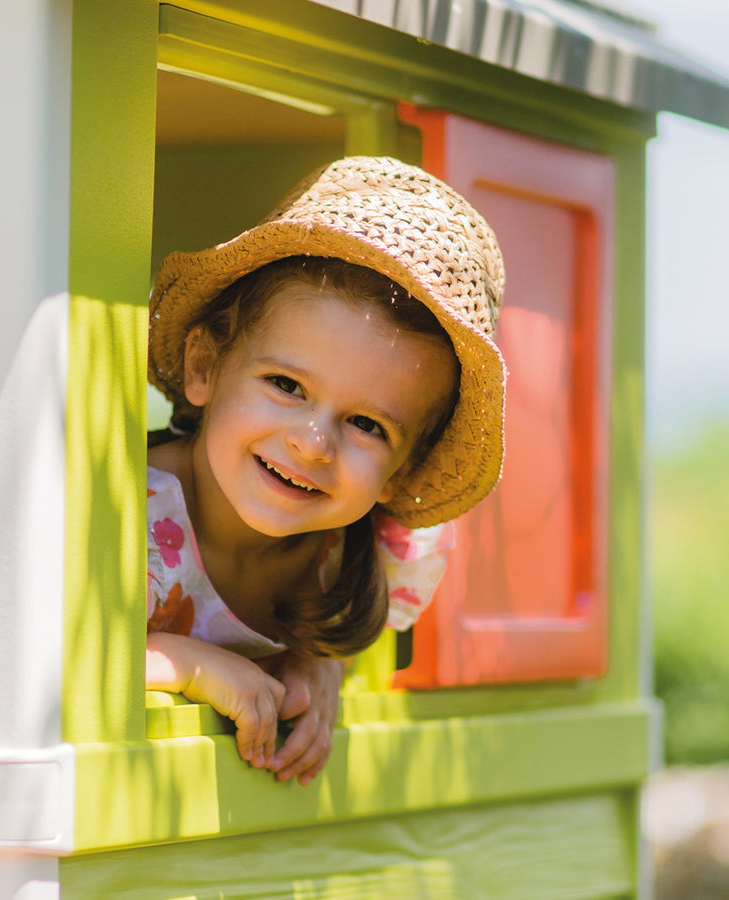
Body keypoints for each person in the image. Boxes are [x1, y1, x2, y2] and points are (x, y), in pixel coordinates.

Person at [145, 156, 506, 786]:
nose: (313, 443)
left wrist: (319, 664)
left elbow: (341, 638)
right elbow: (28, 656)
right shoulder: (121, 514)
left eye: (368, 426)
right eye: (286, 385)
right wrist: (186, 664)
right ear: (204, 366)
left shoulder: (363, 557)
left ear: (402, 471)